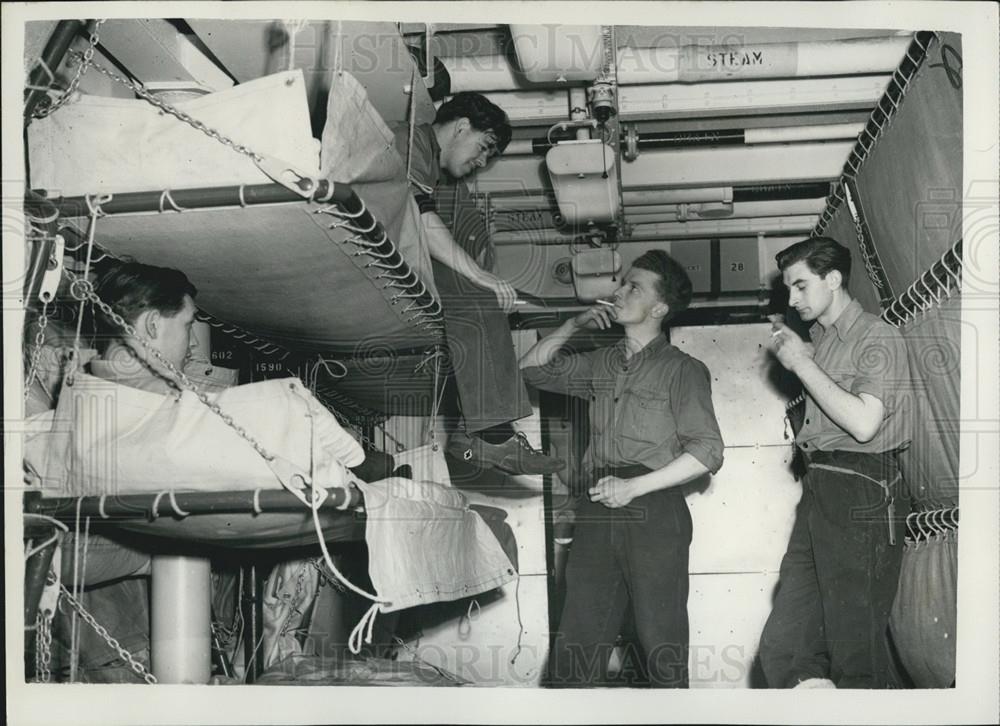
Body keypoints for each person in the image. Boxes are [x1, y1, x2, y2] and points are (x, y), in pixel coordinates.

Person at [519, 250, 725, 688]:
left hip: (653, 508)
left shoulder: (683, 370)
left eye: (634, 286)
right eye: (622, 283)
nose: (619, 292)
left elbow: (708, 450)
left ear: (659, 308)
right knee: (577, 641)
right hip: (598, 505)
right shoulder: (601, 363)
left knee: (660, 643)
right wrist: (572, 326)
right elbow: (532, 370)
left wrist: (635, 487)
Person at [759, 236, 912, 689]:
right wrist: (806, 359)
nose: (792, 298)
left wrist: (804, 366)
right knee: (785, 649)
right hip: (821, 488)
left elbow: (864, 424)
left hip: (863, 487)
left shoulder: (875, 335)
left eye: (801, 286)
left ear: (834, 279)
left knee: (853, 653)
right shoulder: (820, 344)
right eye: (789, 288)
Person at [395, 91, 564, 476]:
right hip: (401, 243)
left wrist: (481, 273)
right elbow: (417, 216)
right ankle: (489, 437)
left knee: (479, 294)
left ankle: (487, 435)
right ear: (460, 126)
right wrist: (477, 274)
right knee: (474, 295)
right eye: (484, 147)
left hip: (410, 248)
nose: (482, 161)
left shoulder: (442, 177)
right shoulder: (409, 142)